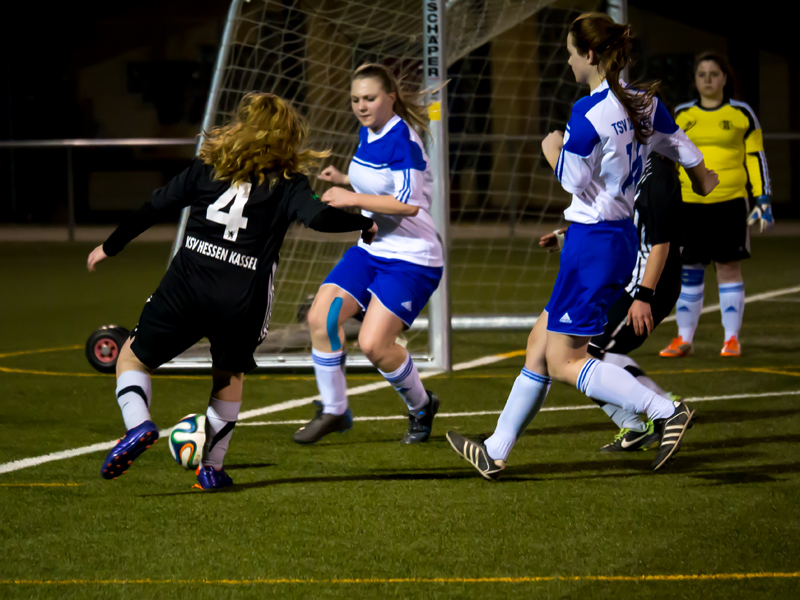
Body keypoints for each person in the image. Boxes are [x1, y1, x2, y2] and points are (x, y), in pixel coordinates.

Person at [446, 13, 719, 479]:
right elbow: (692, 162)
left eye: (571, 53)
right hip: (608, 240)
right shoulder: (644, 104)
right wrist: (701, 178)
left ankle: (663, 410)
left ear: (589, 55)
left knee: (565, 359)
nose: (568, 61)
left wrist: (551, 146)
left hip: (595, 245)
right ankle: (495, 449)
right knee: (539, 342)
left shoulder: (588, 113)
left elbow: (571, 180)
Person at [87, 93, 377, 490]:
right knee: (228, 377)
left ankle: (138, 426)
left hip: (186, 286)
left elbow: (154, 207)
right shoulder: (288, 183)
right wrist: (362, 223)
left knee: (132, 359)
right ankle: (212, 468)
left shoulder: (207, 167)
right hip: (242, 299)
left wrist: (110, 246)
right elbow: (318, 217)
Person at [292, 63, 444, 445]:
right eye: (356, 99)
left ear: (390, 98)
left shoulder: (403, 141)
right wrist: (343, 179)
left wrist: (350, 197)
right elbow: (377, 181)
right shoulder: (369, 130)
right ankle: (335, 409)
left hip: (412, 258)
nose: (361, 106)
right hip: (371, 247)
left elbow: (408, 206)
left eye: (370, 99)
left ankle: (422, 406)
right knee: (321, 317)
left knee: (375, 345)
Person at [544, 153, 684, 452]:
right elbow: (616, 218)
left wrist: (644, 296)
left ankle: (666, 409)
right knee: (576, 352)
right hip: (624, 278)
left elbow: (661, 244)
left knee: (585, 353)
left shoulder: (658, 176)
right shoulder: (631, 163)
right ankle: (637, 426)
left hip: (645, 286)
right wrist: (567, 237)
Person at [660, 52, 772, 359]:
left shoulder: (742, 113)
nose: (708, 79)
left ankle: (731, 338)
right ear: (694, 80)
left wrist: (763, 197)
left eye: (714, 73)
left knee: (728, 268)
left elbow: (755, 156)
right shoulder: (681, 114)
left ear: (725, 78)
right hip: (690, 205)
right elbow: (667, 158)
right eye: (702, 74)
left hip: (731, 204)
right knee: (689, 270)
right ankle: (684, 338)